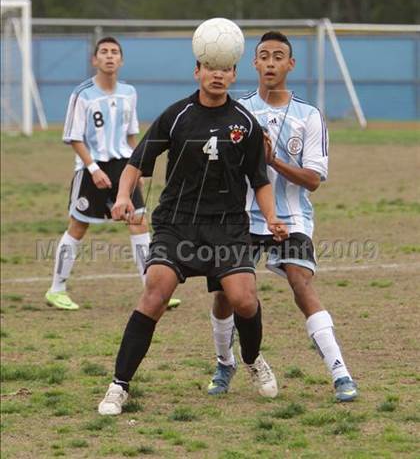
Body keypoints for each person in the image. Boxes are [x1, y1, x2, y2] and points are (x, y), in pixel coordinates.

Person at [97, 56, 289, 415]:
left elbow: (259, 179)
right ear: (197, 72)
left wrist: (273, 217)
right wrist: (124, 196)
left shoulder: (245, 123)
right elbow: (137, 162)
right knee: (155, 294)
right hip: (177, 223)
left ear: (233, 74)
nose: (217, 74)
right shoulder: (177, 115)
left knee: (244, 300)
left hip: (227, 226)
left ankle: (251, 358)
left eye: (225, 68)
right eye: (210, 67)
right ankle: (118, 386)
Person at [207, 31, 358, 403]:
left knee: (302, 285)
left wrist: (272, 159)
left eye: (279, 56)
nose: (271, 62)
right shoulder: (235, 112)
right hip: (240, 219)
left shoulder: (309, 116)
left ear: (291, 64)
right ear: (254, 64)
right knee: (226, 296)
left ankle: (340, 371)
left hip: (291, 218)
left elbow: (313, 180)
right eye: (264, 56)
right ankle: (225, 362)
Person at [44, 36, 181, 311]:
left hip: (123, 166)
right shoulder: (82, 94)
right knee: (79, 226)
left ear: (121, 60)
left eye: (114, 52)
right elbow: (73, 137)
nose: (109, 56)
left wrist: (138, 166)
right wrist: (93, 169)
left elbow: (132, 135)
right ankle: (56, 289)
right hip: (91, 166)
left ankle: (152, 289)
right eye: (103, 52)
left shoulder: (129, 92)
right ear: (94, 60)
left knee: (139, 223)